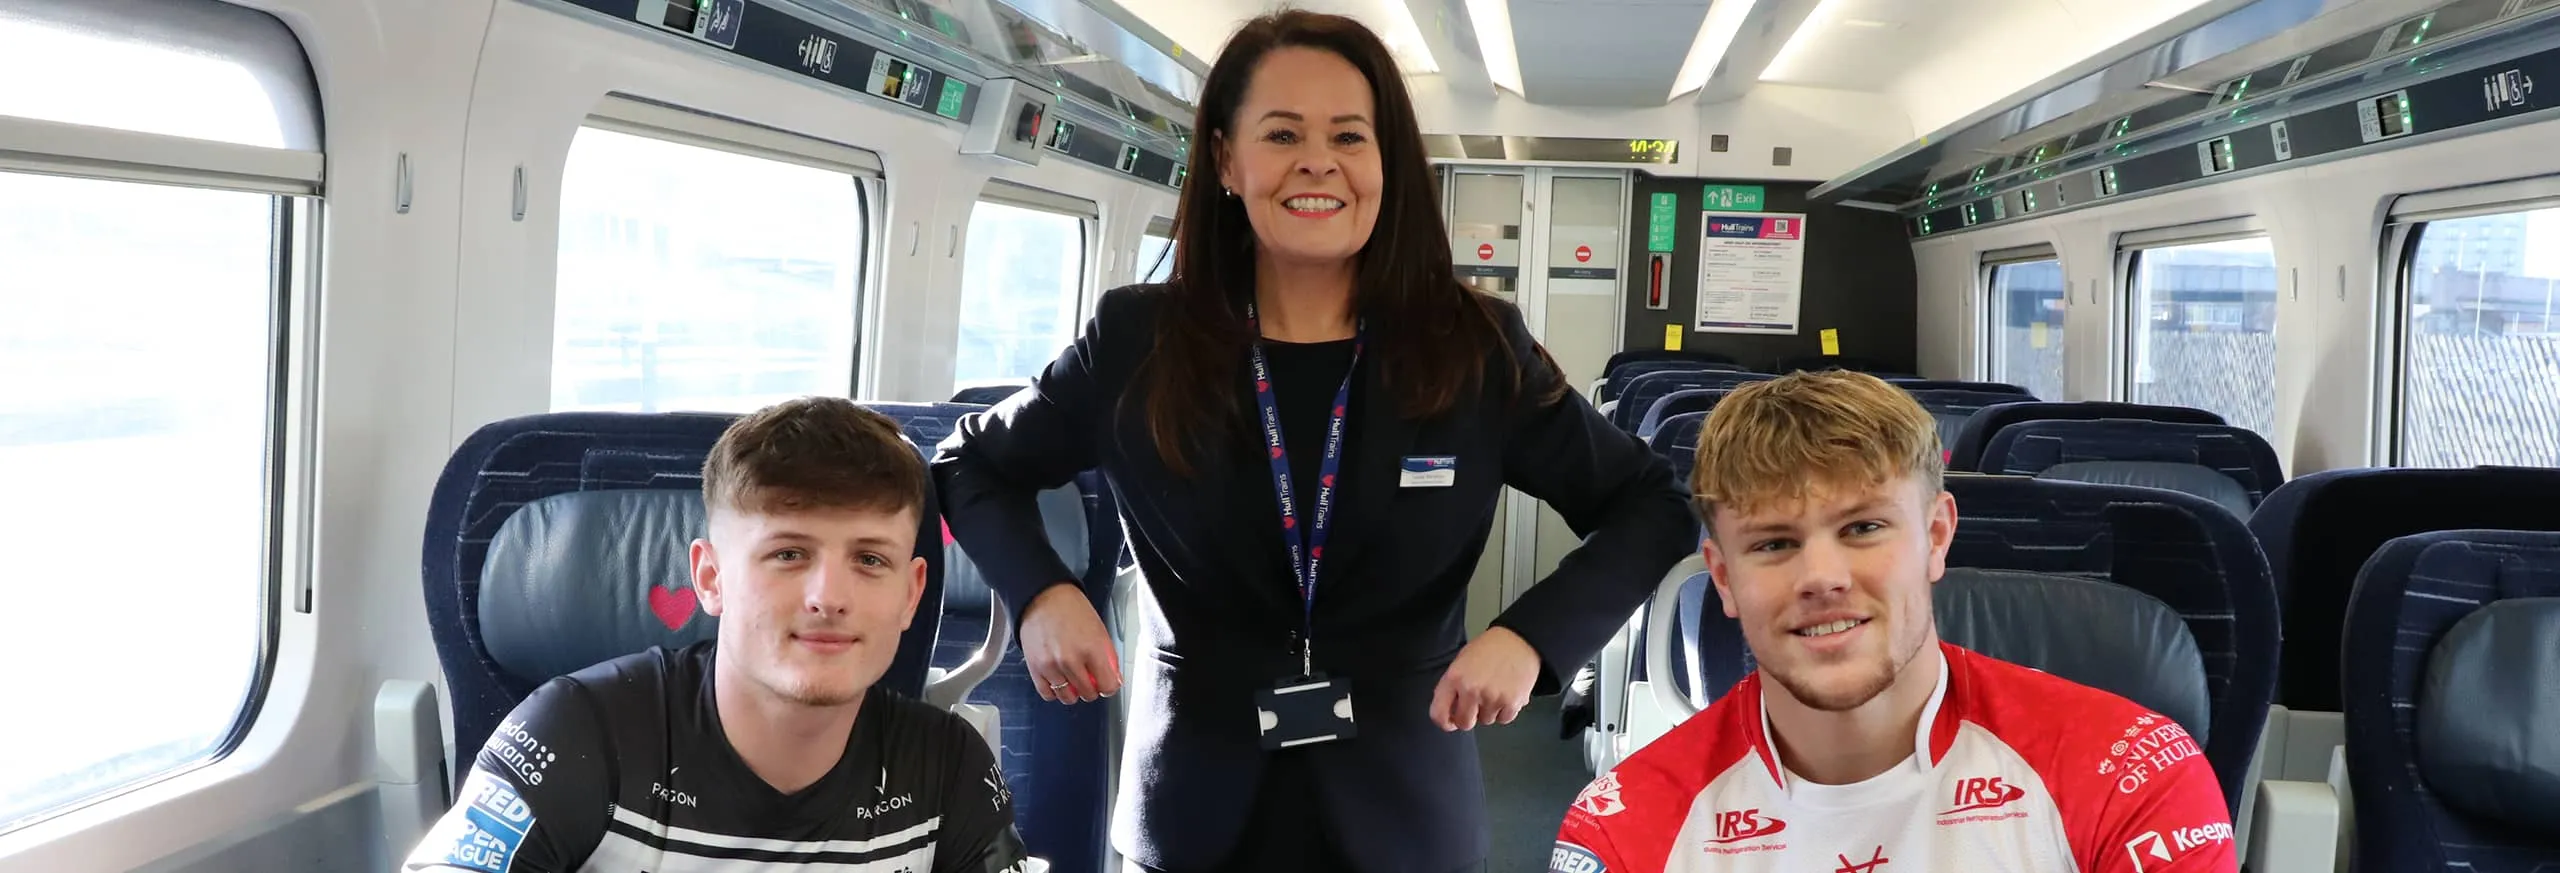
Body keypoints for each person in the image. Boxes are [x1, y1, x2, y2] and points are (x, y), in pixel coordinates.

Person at [929, 10, 1696, 873]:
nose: (1317, 162)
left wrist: (1532, 637)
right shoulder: (1138, 341)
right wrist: (1041, 593)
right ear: (1226, 159)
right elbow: (970, 464)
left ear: (1386, 163)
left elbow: (1652, 504)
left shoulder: (1471, 347)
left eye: (1348, 136)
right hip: (1194, 805)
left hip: (1406, 803)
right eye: (1282, 133)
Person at [1548, 371, 2236, 873]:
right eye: (1774, 543)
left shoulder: (2130, 774)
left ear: (1936, 537)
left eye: (1864, 527)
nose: (1822, 576)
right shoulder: (1627, 825)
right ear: (1723, 577)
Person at [403, 398, 1033, 873]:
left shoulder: (948, 769)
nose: (829, 597)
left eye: (870, 560)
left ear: (912, 594)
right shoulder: (574, 733)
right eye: (788, 554)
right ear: (710, 577)